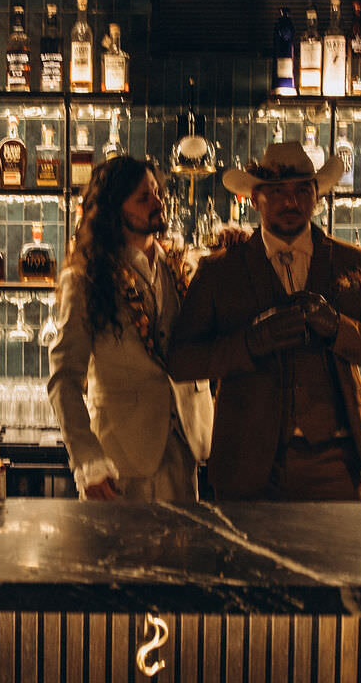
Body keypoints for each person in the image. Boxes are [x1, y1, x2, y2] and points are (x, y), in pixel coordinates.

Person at [167, 142, 361, 501]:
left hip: (334, 464)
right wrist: (250, 343)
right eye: (277, 192)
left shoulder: (358, 265)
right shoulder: (220, 271)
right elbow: (180, 360)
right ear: (254, 198)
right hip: (244, 465)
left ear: (317, 196)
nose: (290, 202)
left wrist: (337, 326)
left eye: (302, 191)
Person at [48, 156, 213, 501]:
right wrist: (90, 463)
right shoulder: (85, 279)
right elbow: (64, 378)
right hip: (120, 461)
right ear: (113, 209)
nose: (158, 202)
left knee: (182, 554)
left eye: (157, 192)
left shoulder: (181, 267)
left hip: (185, 450)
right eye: (143, 197)